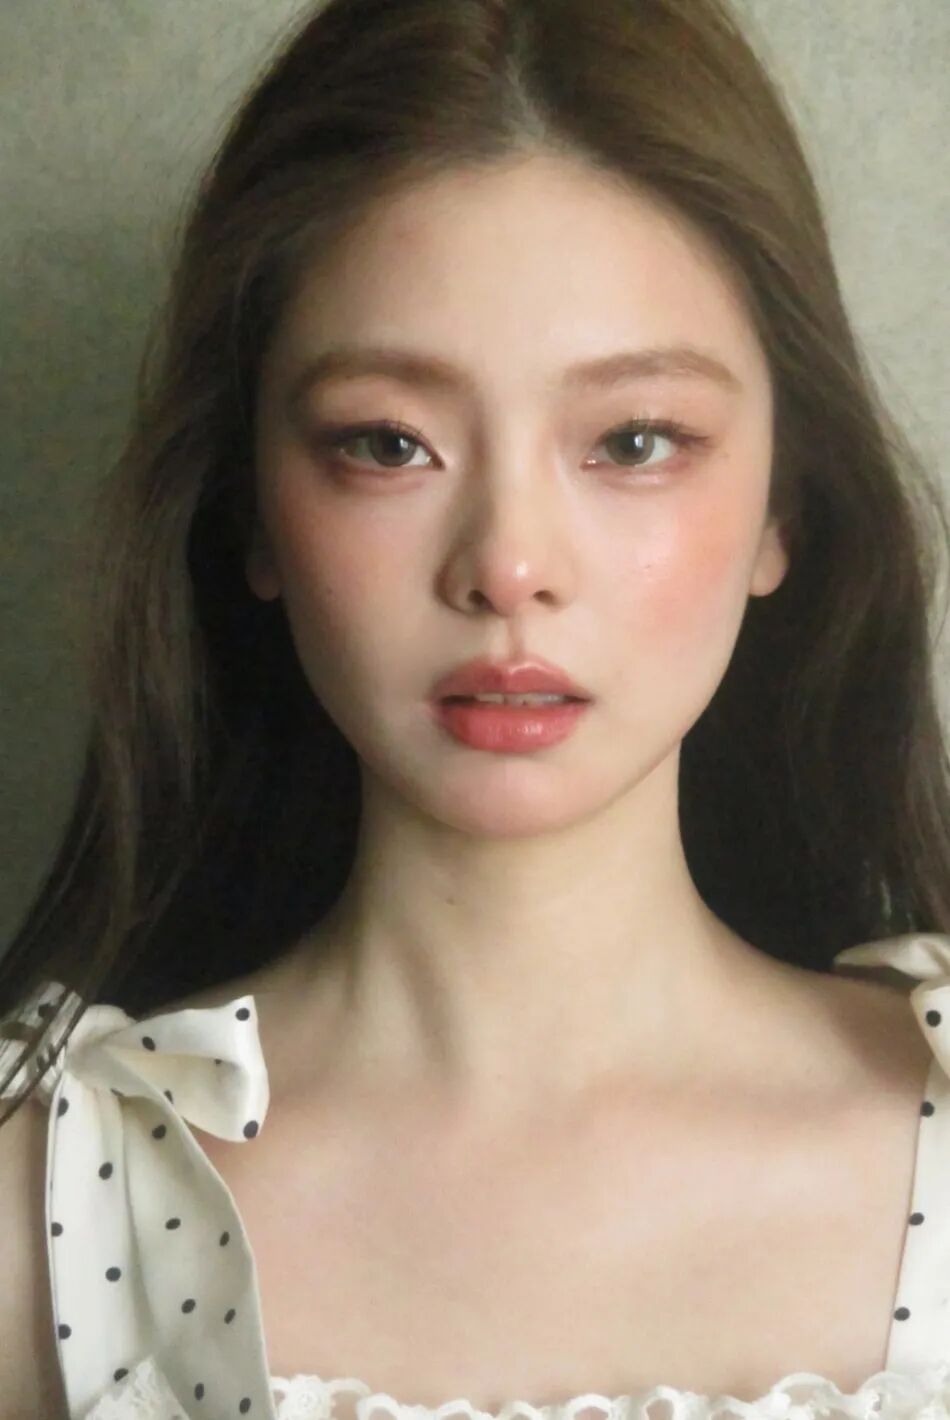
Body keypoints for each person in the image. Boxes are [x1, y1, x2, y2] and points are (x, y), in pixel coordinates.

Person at [1, 0, 949, 1416]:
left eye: (634, 440)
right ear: (251, 509)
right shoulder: (42, 1210)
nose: (507, 564)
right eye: (388, 443)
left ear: (783, 510)